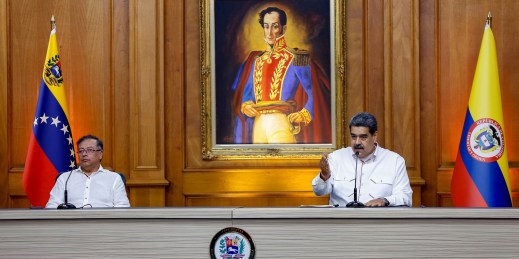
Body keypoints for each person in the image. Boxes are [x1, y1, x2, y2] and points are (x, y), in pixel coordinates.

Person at [232, 6, 331, 144]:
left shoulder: (296, 58)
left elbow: (314, 92)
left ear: (283, 29)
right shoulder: (255, 60)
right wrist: (246, 105)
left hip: (281, 122)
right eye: (266, 27)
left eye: (275, 27)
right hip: (258, 123)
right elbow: (247, 96)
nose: (270, 32)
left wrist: (304, 113)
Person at [312, 112, 413, 207]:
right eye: (353, 137)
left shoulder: (394, 161)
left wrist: (384, 200)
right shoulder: (336, 158)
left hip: (377, 222)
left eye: (363, 137)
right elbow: (319, 191)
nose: (357, 142)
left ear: (374, 136)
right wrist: (324, 176)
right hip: (341, 222)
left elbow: (405, 197)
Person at [46, 135, 130, 208]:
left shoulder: (114, 179)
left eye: (89, 150)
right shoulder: (65, 178)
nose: (84, 154)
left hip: (103, 224)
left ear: (100, 154)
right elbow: (51, 206)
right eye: (81, 151)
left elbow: (122, 208)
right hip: (71, 224)